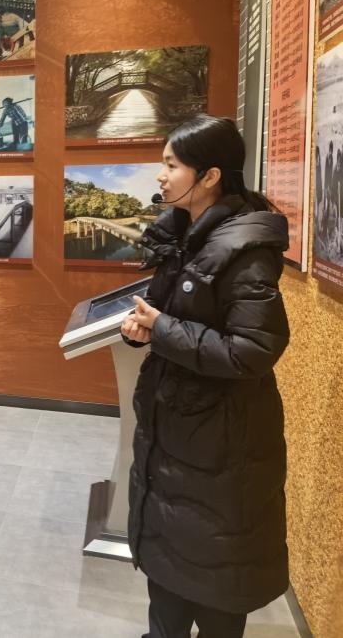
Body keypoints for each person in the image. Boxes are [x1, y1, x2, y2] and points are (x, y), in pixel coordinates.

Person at [119, 115, 290, 638]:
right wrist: (143, 330)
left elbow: (252, 351)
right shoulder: (183, 235)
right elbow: (173, 321)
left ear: (210, 175)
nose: (160, 175)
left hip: (221, 445)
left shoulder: (244, 251)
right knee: (167, 589)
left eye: (171, 165)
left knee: (215, 590)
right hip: (175, 434)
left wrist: (163, 329)